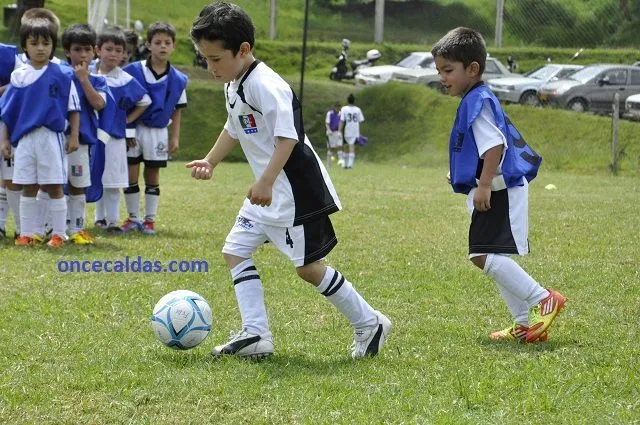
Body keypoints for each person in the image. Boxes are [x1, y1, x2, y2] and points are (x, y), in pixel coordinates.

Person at [186, 1, 391, 359]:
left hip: (295, 192)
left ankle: (369, 322)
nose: (210, 67)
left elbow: (288, 137)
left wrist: (265, 181)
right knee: (235, 251)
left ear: (243, 50)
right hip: (267, 192)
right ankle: (256, 334)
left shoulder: (267, 85)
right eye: (205, 59)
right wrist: (210, 160)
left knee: (308, 269)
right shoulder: (234, 84)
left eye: (216, 59)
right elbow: (233, 128)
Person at [432, 27, 566, 343]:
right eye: (439, 70)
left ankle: (542, 298)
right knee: (490, 253)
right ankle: (524, 323)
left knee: (480, 254)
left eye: (448, 70)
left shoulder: (477, 101)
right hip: (495, 186)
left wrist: (483, 184)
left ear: (473, 69)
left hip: (499, 189)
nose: (442, 77)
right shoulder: (475, 98)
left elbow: (495, 146)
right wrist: (465, 176)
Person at [0, 18, 81, 248]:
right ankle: (28, 233)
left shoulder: (63, 75)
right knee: (28, 186)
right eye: (34, 43)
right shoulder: (18, 77)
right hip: (24, 140)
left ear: (52, 46)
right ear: (25, 46)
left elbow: (73, 109)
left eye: (45, 43)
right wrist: (4, 139)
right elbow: (7, 111)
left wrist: (73, 135)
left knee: (54, 185)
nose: (40, 48)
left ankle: (58, 233)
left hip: (50, 136)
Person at [122, 21, 188, 235]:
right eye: (157, 42)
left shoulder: (178, 79)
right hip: (134, 128)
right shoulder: (132, 71)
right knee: (131, 174)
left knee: (152, 175)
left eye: (167, 42)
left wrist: (175, 137)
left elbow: (177, 109)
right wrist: (127, 131)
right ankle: (133, 218)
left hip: (158, 131)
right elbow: (123, 104)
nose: (162, 46)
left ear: (173, 46)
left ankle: (150, 220)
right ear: (148, 45)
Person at [92, 26, 150, 232]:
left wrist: (126, 120)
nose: (114, 54)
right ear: (98, 50)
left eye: (119, 50)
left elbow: (145, 100)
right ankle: (98, 218)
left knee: (113, 179)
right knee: (94, 176)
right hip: (90, 136)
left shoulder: (124, 79)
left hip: (115, 137)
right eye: (109, 49)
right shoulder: (88, 73)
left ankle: (112, 221)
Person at [61, 23, 109, 245]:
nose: (82, 54)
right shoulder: (58, 75)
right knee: (52, 184)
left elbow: (99, 104)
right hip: (56, 138)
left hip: (82, 142)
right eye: (77, 49)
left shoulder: (98, 80)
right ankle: (54, 228)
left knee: (77, 184)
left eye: (87, 50)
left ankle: (77, 228)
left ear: (94, 51)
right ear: (67, 51)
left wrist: (84, 80)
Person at [338, 93, 364, 169]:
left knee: (346, 146)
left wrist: (339, 130)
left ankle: (346, 164)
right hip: (355, 130)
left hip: (347, 130)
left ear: (348, 100)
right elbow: (360, 120)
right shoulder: (358, 109)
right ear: (354, 101)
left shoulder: (344, 109)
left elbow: (342, 121)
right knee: (352, 146)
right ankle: (350, 165)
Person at [324, 101, 342, 166]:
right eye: (336, 107)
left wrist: (339, 131)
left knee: (339, 146)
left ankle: (341, 163)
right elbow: (327, 123)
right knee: (331, 148)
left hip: (337, 132)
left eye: (339, 107)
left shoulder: (340, 114)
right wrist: (329, 130)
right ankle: (329, 164)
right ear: (334, 107)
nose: (338, 109)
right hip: (330, 132)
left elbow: (340, 123)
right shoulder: (330, 113)